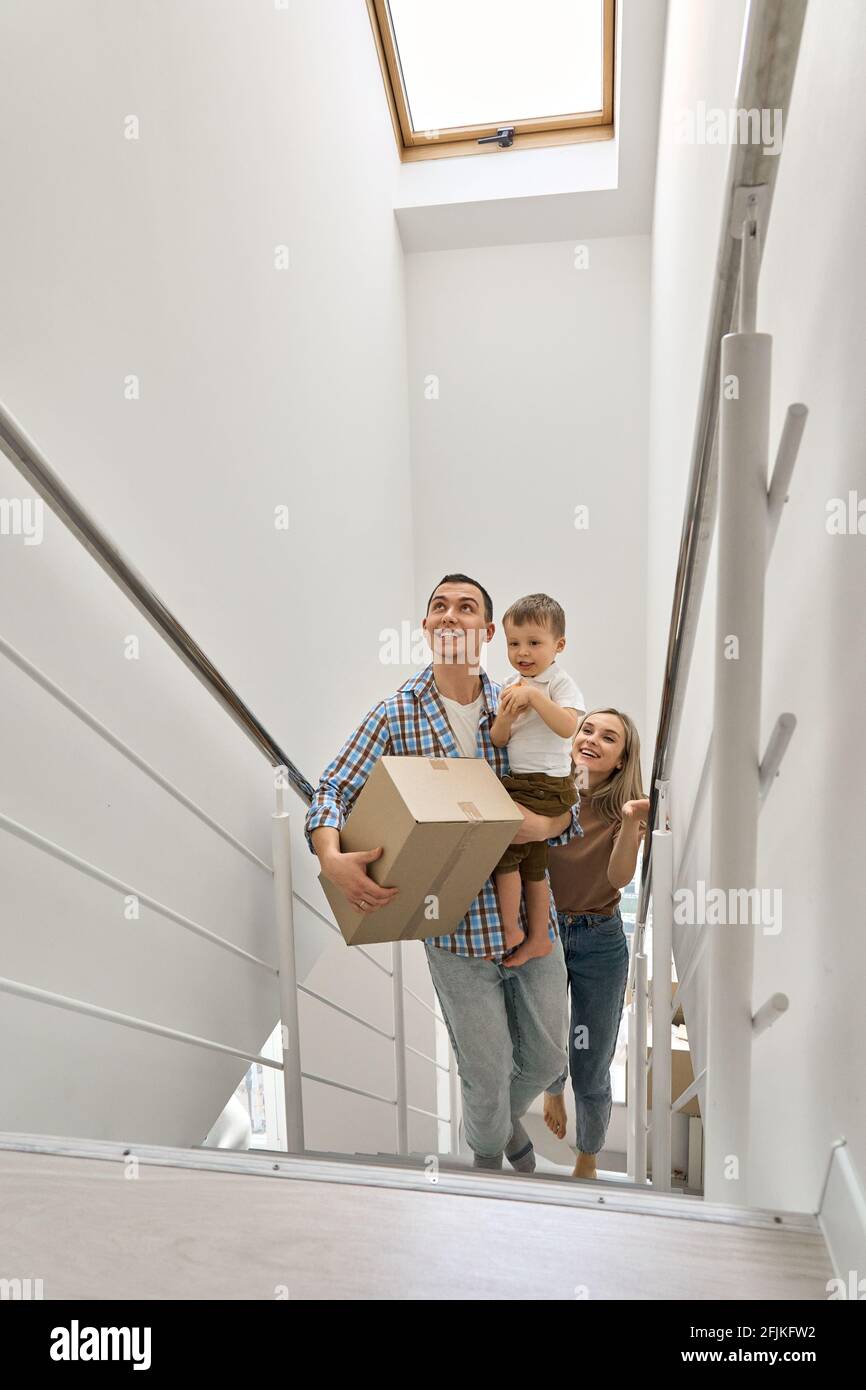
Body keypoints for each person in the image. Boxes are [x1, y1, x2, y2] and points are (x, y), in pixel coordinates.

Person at [305, 574, 580, 1173]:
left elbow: (567, 788)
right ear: (427, 627)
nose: (449, 615)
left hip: (531, 913)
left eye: (466, 608)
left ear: (486, 631)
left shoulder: (522, 700)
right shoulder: (395, 715)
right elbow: (333, 788)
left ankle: (500, 1131)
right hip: (451, 923)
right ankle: (487, 1169)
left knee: (546, 1056)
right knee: (484, 1071)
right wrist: (329, 854)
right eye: (438, 607)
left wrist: (550, 827)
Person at [542, 709, 649, 1180]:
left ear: (622, 758)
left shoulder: (625, 811)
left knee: (592, 1059)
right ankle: (550, 1087)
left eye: (609, 738)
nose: (592, 740)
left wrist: (629, 824)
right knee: (544, 1037)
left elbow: (619, 878)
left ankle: (588, 1155)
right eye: (587, 729)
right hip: (543, 931)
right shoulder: (546, 791)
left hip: (598, 939)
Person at [489, 593, 585, 967]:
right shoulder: (509, 685)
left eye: (534, 643)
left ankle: (512, 930)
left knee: (505, 852)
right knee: (533, 863)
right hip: (523, 782)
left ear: (558, 646)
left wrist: (534, 697)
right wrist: (506, 714)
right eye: (514, 643)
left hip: (547, 784)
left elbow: (568, 726)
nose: (522, 652)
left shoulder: (558, 682)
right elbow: (499, 740)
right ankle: (538, 937)